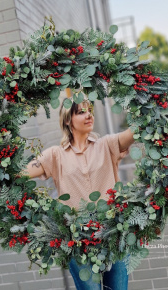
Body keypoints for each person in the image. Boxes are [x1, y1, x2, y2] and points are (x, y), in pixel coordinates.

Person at [25, 97, 134, 289]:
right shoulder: (55, 155)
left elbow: (135, 132)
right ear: (68, 120)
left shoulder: (107, 145)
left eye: (89, 110)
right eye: (81, 112)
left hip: (113, 233)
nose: (89, 115)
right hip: (77, 241)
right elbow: (22, 173)